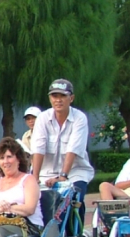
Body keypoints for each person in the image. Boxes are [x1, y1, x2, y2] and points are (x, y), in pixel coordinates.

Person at [31, 78, 94, 220]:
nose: (58, 100)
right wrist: (35, 177)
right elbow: (38, 148)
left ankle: (76, 236)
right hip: (46, 173)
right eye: (54, 96)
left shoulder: (79, 118)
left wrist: (63, 176)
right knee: (37, 204)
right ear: (49, 98)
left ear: (71, 98)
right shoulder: (42, 118)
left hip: (75, 172)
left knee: (74, 200)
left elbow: (73, 148)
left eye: (62, 96)